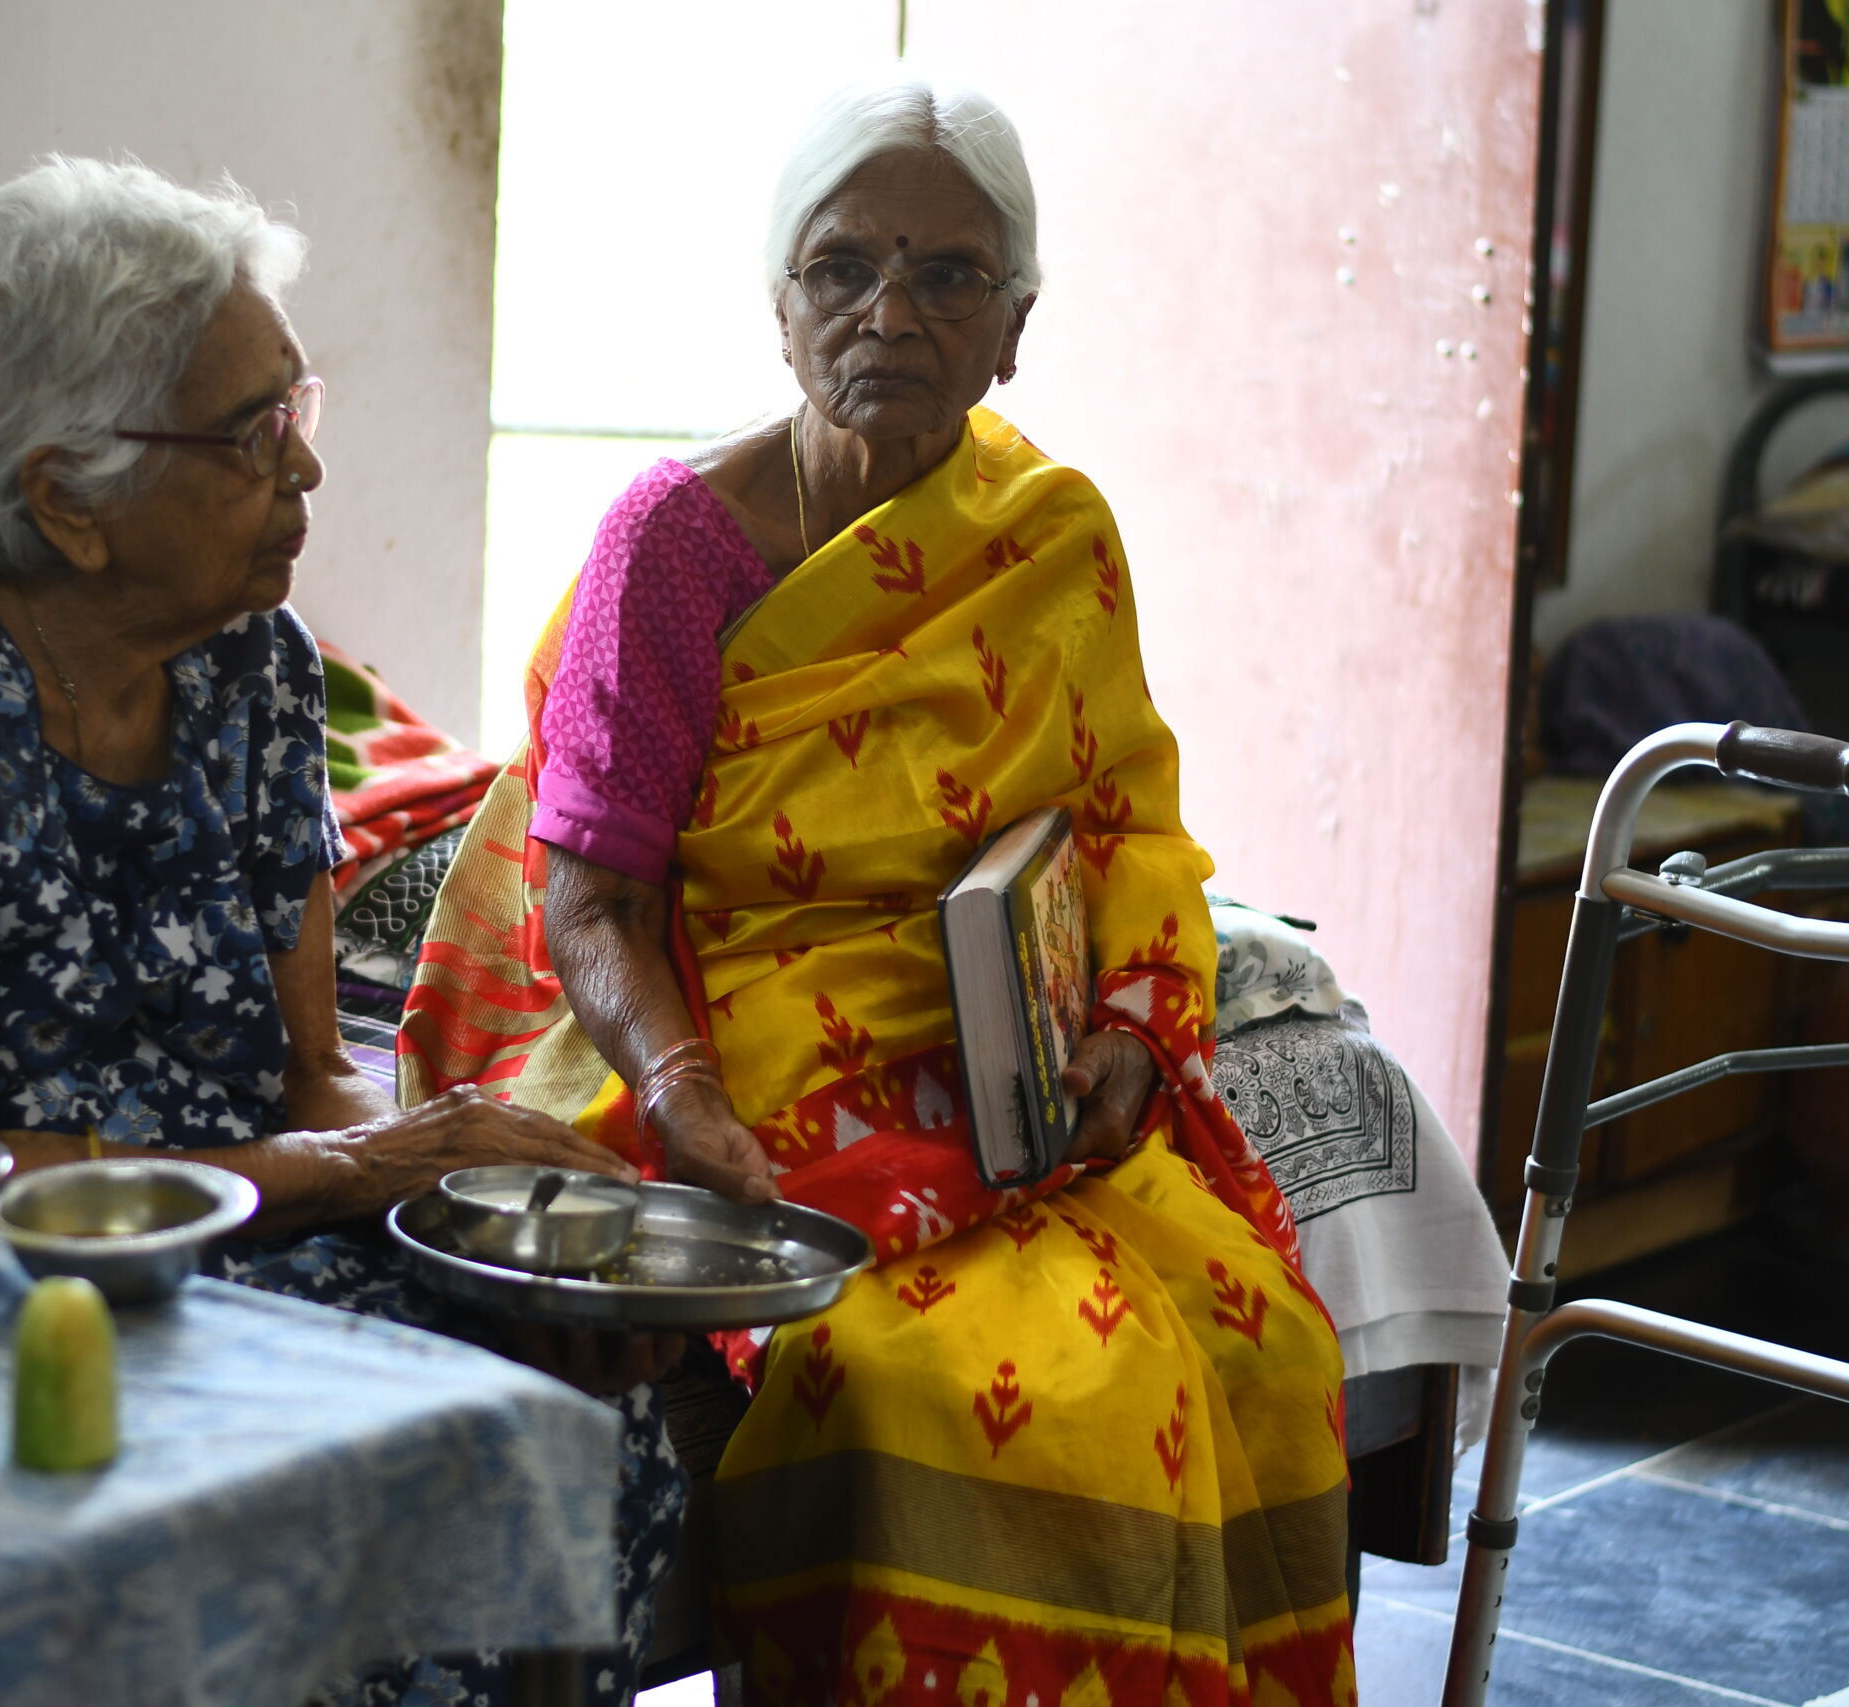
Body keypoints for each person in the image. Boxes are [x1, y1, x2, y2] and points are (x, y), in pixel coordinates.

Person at [0, 157, 681, 1707]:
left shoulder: (255, 664)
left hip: (203, 1225)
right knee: (235, 1505)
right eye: (257, 437)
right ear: (67, 497)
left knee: (572, 1409)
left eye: (297, 411)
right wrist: (358, 1171)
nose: (305, 475)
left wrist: (468, 1227)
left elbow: (319, 1074)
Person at [402, 79, 1356, 1706]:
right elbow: (593, 890)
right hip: (739, 1043)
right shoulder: (675, 546)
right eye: (840, 270)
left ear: (1016, 330)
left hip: (998, 1063)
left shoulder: (1052, 534)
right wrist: (685, 1091)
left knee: (1251, 1333)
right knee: (912, 1375)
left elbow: (1125, 824)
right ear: (779, 311)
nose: (888, 315)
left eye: (950, 278)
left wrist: (1131, 1020)